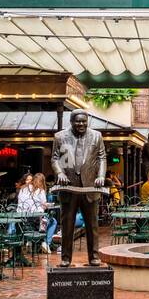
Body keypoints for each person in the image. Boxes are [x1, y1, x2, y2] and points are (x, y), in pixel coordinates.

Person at [52, 112, 107, 267]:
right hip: (68, 187)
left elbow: (102, 158)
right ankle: (65, 258)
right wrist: (60, 173)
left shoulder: (97, 136)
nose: (81, 124)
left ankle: (94, 257)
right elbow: (55, 158)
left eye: (84, 122)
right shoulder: (60, 137)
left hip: (90, 187)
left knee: (92, 225)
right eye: (78, 122)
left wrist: (101, 176)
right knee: (67, 225)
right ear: (71, 122)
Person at [18, 172, 59, 253]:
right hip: (36, 219)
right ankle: (45, 243)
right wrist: (48, 205)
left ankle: (29, 241)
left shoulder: (22, 188)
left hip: (22, 218)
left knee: (38, 220)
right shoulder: (40, 190)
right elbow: (44, 205)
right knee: (52, 221)